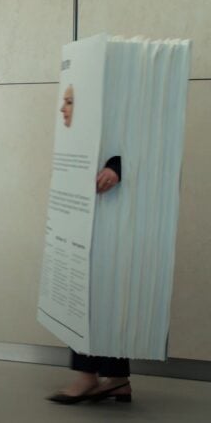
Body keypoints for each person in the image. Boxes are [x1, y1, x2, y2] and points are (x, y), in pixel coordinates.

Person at [47, 156, 131, 405]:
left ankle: (91, 376)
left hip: (116, 198)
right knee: (96, 288)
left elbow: (142, 143)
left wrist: (117, 166)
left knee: (103, 290)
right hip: (92, 195)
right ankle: (116, 378)